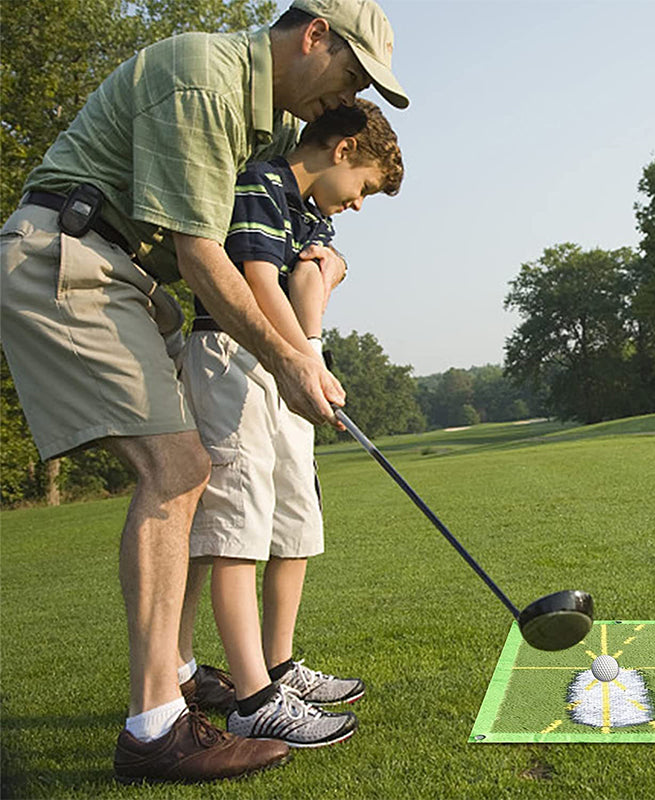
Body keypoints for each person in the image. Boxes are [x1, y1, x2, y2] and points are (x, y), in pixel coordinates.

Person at [0, 0, 408, 784]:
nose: (350, 98)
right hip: (69, 256)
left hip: (123, 276)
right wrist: (291, 359)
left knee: (194, 475)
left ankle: (181, 673)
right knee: (177, 468)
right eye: (352, 74)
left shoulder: (278, 119)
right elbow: (199, 253)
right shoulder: (205, 80)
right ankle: (154, 727)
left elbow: (315, 179)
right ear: (313, 35)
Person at [178, 99, 403, 749]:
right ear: (342, 149)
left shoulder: (309, 213)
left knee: (294, 518)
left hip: (283, 361)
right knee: (239, 523)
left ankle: (279, 665)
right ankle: (253, 698)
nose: (359, 204)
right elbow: (257, 283)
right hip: (230, 352)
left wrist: (322, 284)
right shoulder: (262, 183)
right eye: (363, 187)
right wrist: (307, 359)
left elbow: (309, 279)